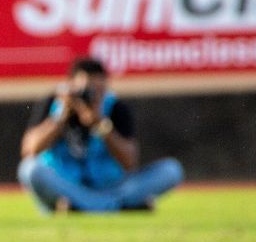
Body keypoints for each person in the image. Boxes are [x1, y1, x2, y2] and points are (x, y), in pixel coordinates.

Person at [18, 57, 181, 213]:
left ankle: (81, 207)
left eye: (98, 89)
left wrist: (101, 125)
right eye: (86, 89)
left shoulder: (115, 107)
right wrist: (60, 118)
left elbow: (130, 162)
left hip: (109, 187)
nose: (92, 95)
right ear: (70, 85)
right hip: (67, 187)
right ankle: (115, 207)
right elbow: (30, 149)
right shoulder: (54, 103)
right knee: (29, 169)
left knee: (171, 170)